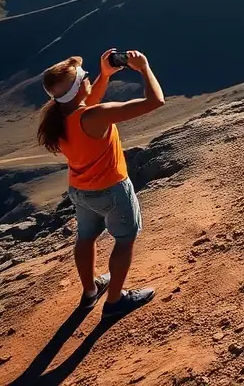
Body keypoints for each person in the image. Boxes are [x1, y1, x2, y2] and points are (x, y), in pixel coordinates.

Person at [37, 49, 165, 318]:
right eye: (85, 77)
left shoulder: (60, 117)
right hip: (112, 190)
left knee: (86, 238)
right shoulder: (97, 115)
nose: (88, 79)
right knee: (124, 240)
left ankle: (90, 292)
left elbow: (87, 100)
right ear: (77, 89)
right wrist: (144, 67)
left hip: (80, 191)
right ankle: (115, 302)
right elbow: (155, 102)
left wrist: (105, 75)